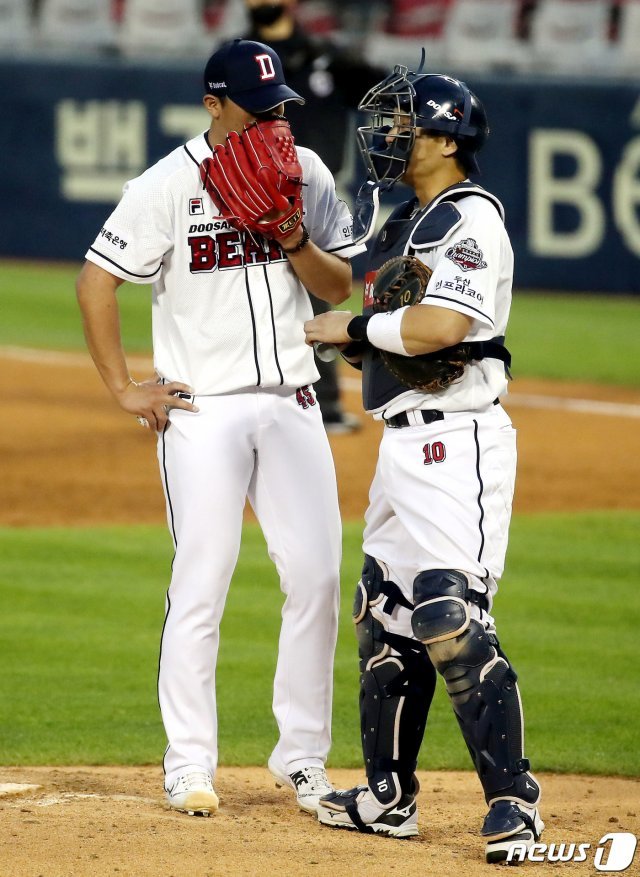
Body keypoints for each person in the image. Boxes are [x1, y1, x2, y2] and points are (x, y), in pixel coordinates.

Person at [76, 38, 365, 818]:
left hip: (294, 402)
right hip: (203, 411)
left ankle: (303, 758)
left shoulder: (306, 173)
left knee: (317, 578)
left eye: (281, 107)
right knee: (202, 581)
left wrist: (292, 235)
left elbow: (343, 287)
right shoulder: (165, 184)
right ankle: (189, 761)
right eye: (256, 107)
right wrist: (123, 386)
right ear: (213, 103)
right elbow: (96, 278)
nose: (274, 120)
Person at [303, 61, 544, 863]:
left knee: (451, 616)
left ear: (445, 137)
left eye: (404, 122)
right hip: (402, 442)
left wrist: (356, 329)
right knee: (386, 616)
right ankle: (389, 798)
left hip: (461, 442)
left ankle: (514, 802)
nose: (388, 135)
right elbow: (383, 326)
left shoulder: (471, 220)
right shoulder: (410, 217)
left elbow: (439, 329)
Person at [243, 0, 386, 433]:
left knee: (319, 292)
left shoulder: (328, 57)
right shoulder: (236, 56)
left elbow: (391, 95)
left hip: (317, 194)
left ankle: (323, 405)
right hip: (250, 194)